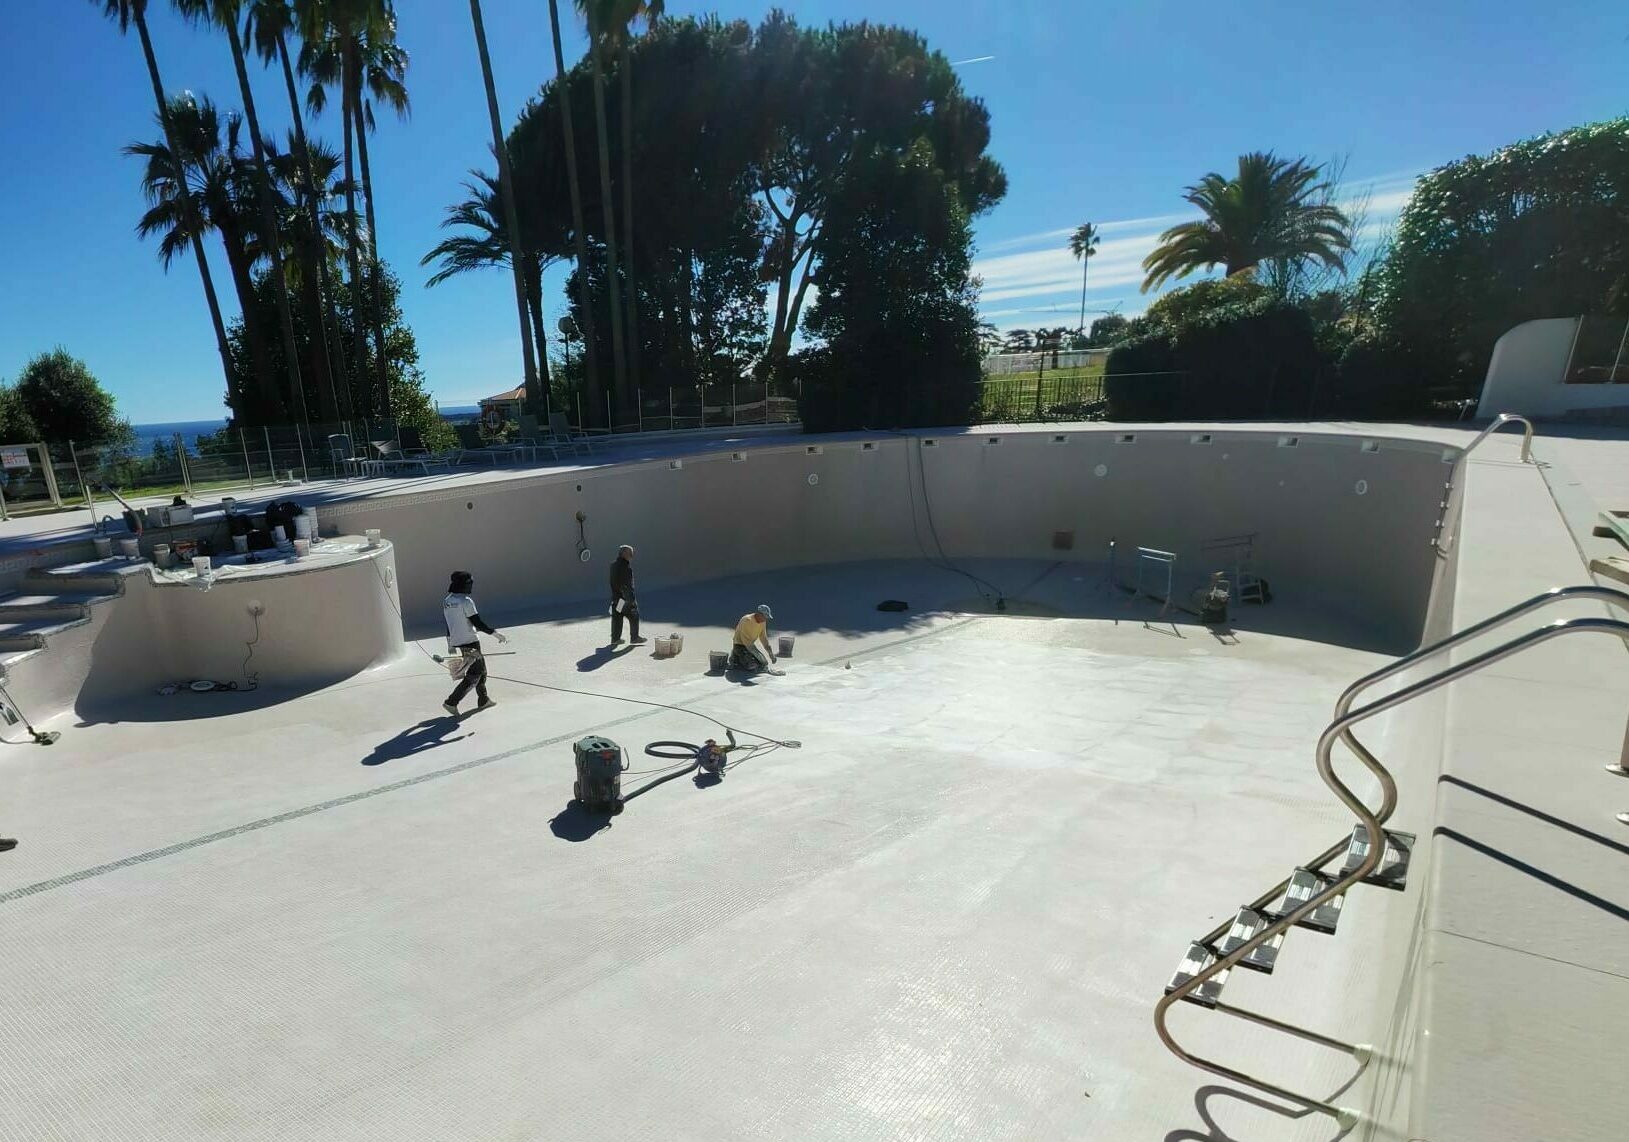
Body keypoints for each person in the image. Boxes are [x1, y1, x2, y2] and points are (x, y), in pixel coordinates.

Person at [442, 570, 507, 716]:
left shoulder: (448, 601)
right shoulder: (466, 602)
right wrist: (495, 633)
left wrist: (450, 642)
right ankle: (451, 702)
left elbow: (449, 623)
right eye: (470, 583)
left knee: (481, 670)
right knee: (475, 673)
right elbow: (477, 622)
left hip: (458, 641)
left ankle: (483, 700)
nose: (471, 586)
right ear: (463, 585)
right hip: (471, 642)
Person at [608, 544, 644, 646]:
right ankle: (634, 637)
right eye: (630, 553)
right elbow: (626, 585)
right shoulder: (626, 568)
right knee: (634, 616)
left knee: (617, 617)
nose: (632, 556)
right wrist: (631, 600)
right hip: (624, 599)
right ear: (623, 553)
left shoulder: (613, 565)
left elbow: (614, 582)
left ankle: (615, 639)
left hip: (616, 598)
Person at [729, 604, 781, 674]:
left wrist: (771, 654)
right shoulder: (747, 620)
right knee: (751, 665)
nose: (765, 619)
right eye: (764, 616)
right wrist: (756, 654)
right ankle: (735, 658)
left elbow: (763, 638)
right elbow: (746, 642)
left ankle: (739, 658)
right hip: (740, 645)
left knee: (763, 663)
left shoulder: (763, 622)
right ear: (759, 614)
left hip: (750, 646)